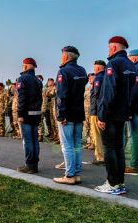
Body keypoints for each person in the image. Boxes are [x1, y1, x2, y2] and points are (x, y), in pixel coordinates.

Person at [95, 36, 137, 195]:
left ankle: (112, 183)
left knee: (110, 149)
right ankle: (119, 182)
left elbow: (108, 93)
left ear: (113, 48)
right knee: (118, 148)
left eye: (108, 48)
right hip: (123, 114)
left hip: (111, 115)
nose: (108, 51)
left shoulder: (113, 64)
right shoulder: (131, 65)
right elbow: (134, 92)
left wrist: (102, 116)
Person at [53, 46, 88, 185]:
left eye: (62, 55)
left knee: (67, 145)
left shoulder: (63, 71)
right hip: (78, 112)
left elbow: (61, 95)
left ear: (67, 57)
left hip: (67, 113)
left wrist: (61, 115)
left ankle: (69, 175)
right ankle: (77, 173)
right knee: (76, 145)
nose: (61, 57)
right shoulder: (82, 70)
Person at [16, 58, 43, 174]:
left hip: (26, 114)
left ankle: (29, 165)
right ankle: (34, 164)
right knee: (34, 140)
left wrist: (20, 114)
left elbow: (21, 98)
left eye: (23, 65)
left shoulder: (22, 79)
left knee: (28, 141)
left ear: (26, 66)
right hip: (36, 113)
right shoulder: (38, 80)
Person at [89, 60, 106, 165]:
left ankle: (100, 157)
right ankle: (103, 155)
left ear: (99, 68)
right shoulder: (107, 77)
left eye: (94, 67)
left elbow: (96, 97)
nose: (93, 69)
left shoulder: (98, 79)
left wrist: (94, 112)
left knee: (97, 136)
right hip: (103, 111)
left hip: (96, 112)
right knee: (104, 135)